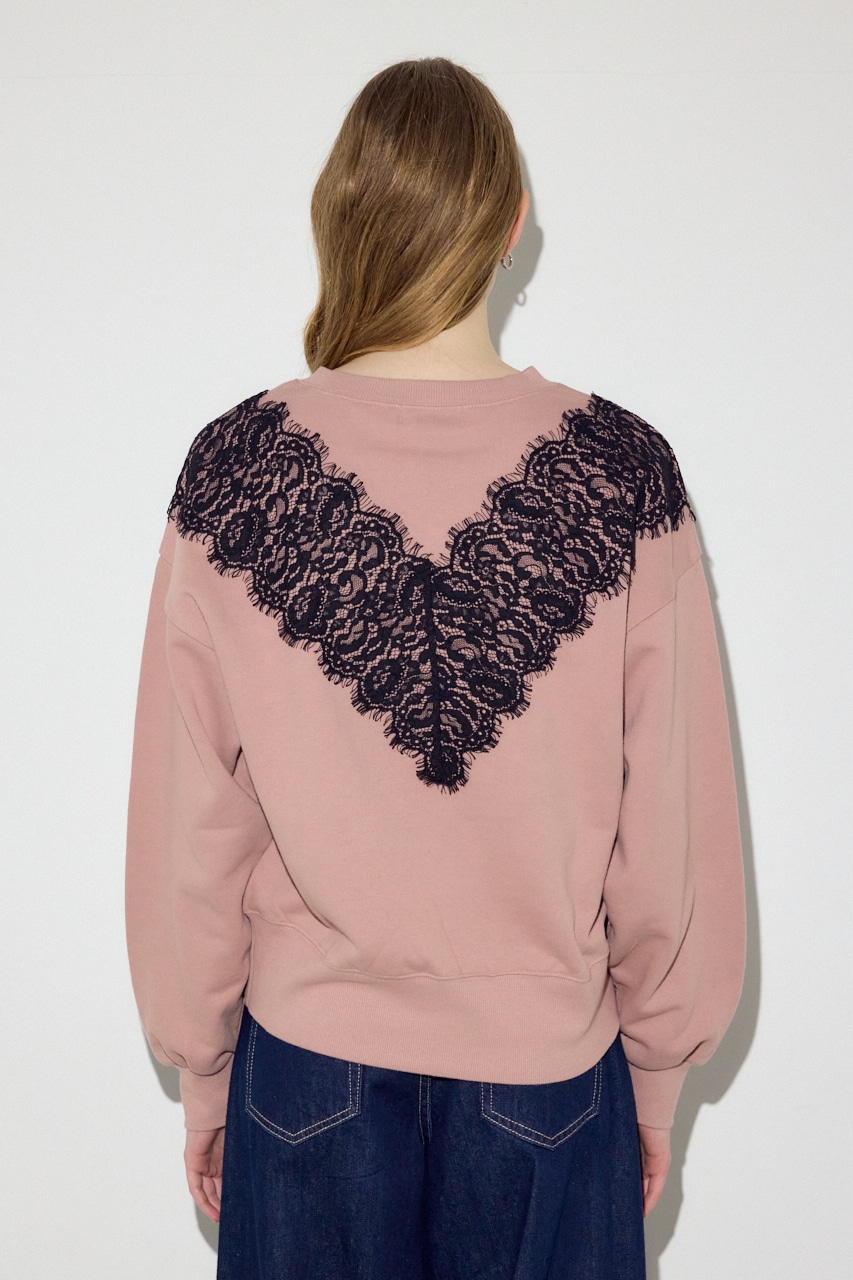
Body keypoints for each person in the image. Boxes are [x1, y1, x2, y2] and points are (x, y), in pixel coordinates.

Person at [125, 56, 746, 1279]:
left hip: (304, 1074)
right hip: (550, 1080)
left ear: (340, 217)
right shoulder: (622, 475)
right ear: (511, 222)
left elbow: (191, 820)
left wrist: (202, 1069)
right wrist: (657, 1074)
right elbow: (674, 821)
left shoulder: (238, 470)